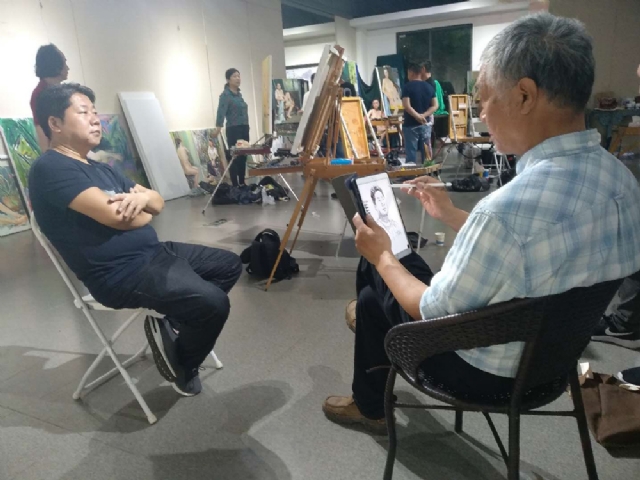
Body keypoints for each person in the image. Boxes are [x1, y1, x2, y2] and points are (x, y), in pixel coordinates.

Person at [322, 13, 640, 434]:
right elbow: (535, 244)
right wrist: (452, 215)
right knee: (388, 273)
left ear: (525, 95)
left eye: (486, 99)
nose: (482, 114)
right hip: (553, 361)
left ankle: (370, 393)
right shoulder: (622, 182)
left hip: (483, 371)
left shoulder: (505, 210)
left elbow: (427, 309)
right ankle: (371, 319)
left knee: (377, 278)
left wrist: (381, 257)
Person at [30, 83, 242, 396]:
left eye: (95, 112)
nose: (95, 119)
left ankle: (172, 327)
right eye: (84, 112)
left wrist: (142, 201)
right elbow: (119, 216)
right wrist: (142, 208)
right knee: (212, 303)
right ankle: (183, 365)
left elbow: (157, 202)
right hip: (118, 274)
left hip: (154, 253)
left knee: (229, 265)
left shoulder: (100, 168)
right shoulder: (50, 168)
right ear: (55, 123)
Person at [214, 68, 250, 187]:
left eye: (239, 76)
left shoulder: (239, 95)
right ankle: (235, 184)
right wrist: (218, 127)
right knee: (234, 156)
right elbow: (221, 111)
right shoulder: (225, 95)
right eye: (234, 76)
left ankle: (242, 182)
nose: (238, 78)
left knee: (243, 155)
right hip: (233, 129)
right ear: (228, 79)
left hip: (244, 128)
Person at [30, 44, 69, 152]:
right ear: (56, 65)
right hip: (59, 151)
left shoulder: (62, 91)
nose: (68, 68)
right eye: (64, 63)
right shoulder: (40, 94)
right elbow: (41, 129)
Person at [401, 64, 438, 164]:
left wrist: (417, 116)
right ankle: (427, 171)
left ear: (411, 73)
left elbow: (406, 105)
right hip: (425, 123)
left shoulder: (407, 87)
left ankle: (411, 172)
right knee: (426, 152)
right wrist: (424, 115)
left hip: (410, 124)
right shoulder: (429, 87)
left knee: (411, 152)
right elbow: (435, 105)